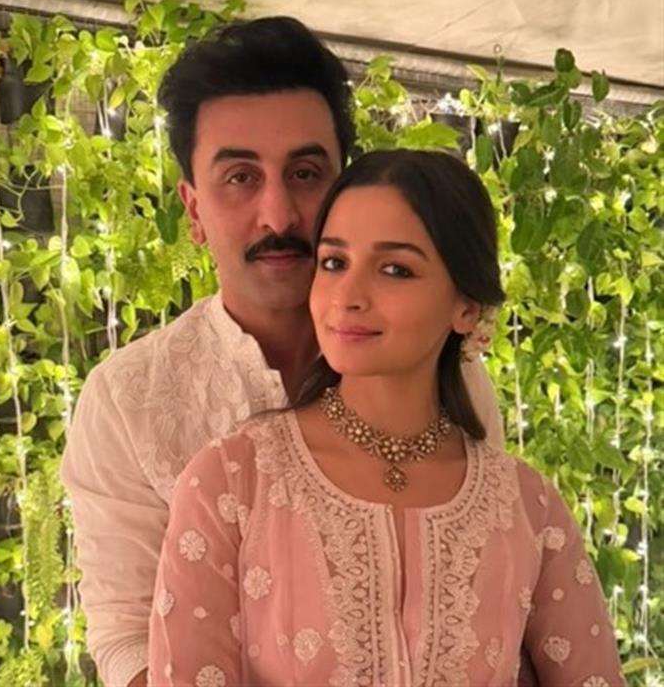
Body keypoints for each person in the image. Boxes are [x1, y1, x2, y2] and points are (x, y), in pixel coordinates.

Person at [60, 19, 503, 687]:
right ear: (193, 208)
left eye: (305, 173)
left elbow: (491, 597)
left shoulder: (447, 373)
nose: (278, 215)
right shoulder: (129, 399)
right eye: (240, 177)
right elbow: (127, 638)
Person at [147, 150, 624, 686]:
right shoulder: (234, 483)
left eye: (395, 270)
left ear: (466, 308)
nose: (348, 296)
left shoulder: (525, 506)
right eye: (334, 262)